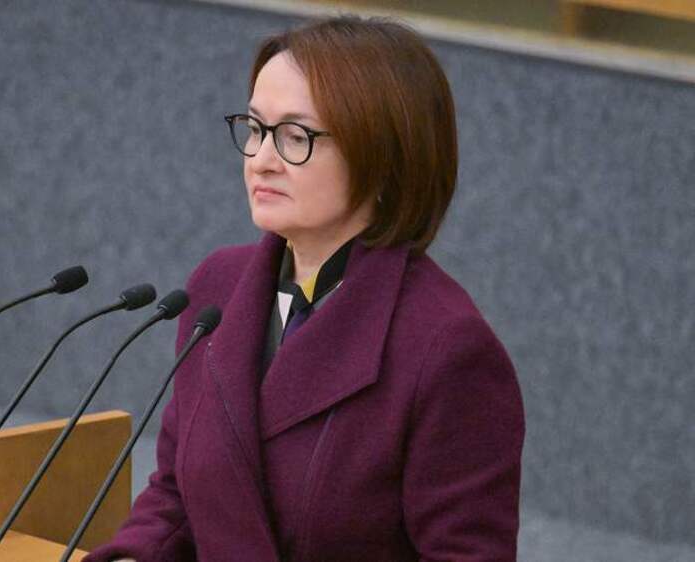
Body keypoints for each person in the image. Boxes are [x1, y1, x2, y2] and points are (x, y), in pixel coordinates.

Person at [85, 15, 524, 562]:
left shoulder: (446, 347)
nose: (261, 160)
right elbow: (178, 494)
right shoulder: (218, 286)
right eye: (255, 128)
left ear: (384, 160)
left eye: (296, 137)